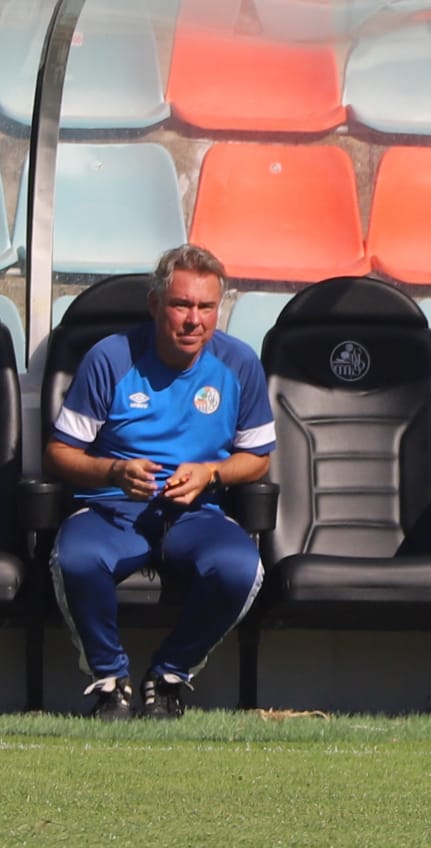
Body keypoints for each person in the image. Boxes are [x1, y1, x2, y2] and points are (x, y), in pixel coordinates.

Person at [46, 244, 275, 720]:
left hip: (196, 511)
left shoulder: (239, 363)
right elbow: (59, 453)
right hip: (114, 509)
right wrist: (114, 471)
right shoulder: (110, 358)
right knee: (76, 558)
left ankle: (169, 676)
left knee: (241, 568)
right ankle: (109, 681)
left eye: (206, 307)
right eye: (181, 305)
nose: (194, 320)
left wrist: (211, 472)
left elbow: (257, 459)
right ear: (155, 305)